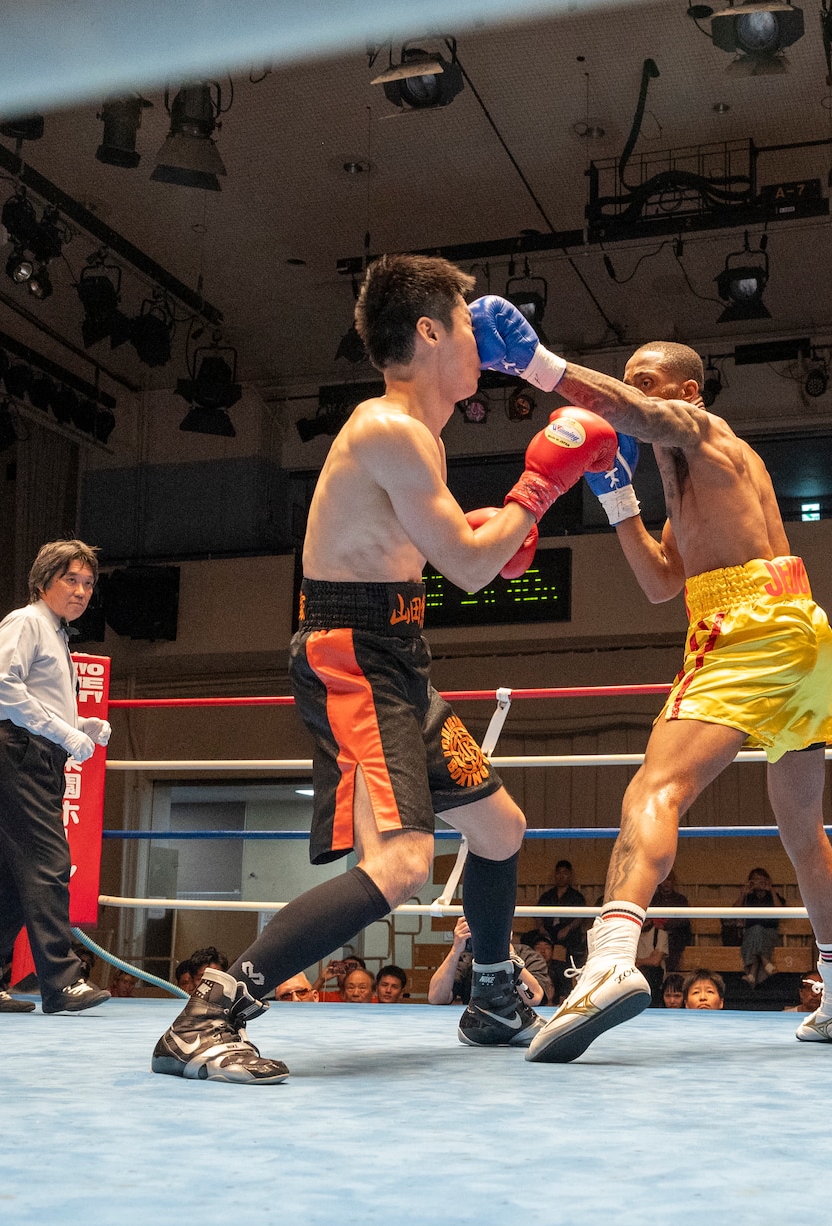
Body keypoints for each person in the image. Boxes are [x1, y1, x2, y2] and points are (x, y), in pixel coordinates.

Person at [155, 256, 613, 1085]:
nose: (484, 338)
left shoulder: (416, 438)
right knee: (403, 865)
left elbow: (440, 553)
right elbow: (472, 568)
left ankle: (496, 996)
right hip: (352, 656)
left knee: (500, 827)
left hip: (398, 658)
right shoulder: (390, 428)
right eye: (470, 323)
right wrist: (536, 489)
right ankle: (208, 1012)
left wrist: (494, 525)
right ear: (431, 331)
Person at [472, 319, 832, 1059]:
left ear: (686, 391)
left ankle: (611, 959)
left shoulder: (702, 428)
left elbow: (636, 413)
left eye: (643, 382)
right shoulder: (691, 483)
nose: (629, 394)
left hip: (747, 625)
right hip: (794, 630)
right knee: (800, 829)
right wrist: (615, 490)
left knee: (655, 787)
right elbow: (660, 582)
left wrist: (537, 364)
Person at [0, 538, 114, 1017]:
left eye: (88, 583)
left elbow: (36, 701)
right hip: (18, 754)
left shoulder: (58, 634)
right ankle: (61, 982)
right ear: (43, 582)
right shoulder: (26, 621)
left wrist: (78, 725)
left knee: (7, 880)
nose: (82, 591)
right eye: (72, 579)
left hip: (35, 756)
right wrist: (64, 730)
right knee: (49, 862)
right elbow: (1, 685)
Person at [427, 916, 547, 1007]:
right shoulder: (467, 959)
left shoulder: (528, 956)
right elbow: (436, 998)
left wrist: (504, 948)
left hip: (519, 1022)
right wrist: (456, 949)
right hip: (478, 1023)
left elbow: (534, 999)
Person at [734, 868, 785, 986]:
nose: (758, 883)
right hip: (750, 934)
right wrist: (743, 893)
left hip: (769, 933)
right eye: (755, 880)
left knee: (757, 932)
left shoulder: (773, 896)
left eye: (761, 880)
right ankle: (765, 961)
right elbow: (735, 912)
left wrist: (771, 890)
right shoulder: (748, 897)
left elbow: (781, 911)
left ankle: (752, 974)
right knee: (755, 931)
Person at [533, 860, 588, 965]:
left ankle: (566, 972)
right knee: (531, 938)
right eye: (559, 873)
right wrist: (541, 928)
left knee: (575, 943)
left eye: (565, 873)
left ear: (570, 875)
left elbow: (581, 917)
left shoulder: (576, 896)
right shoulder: (547, 895)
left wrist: (568, 928)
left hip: (568, 931)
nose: (561, 876)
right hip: (548, 930)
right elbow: (537, 914)